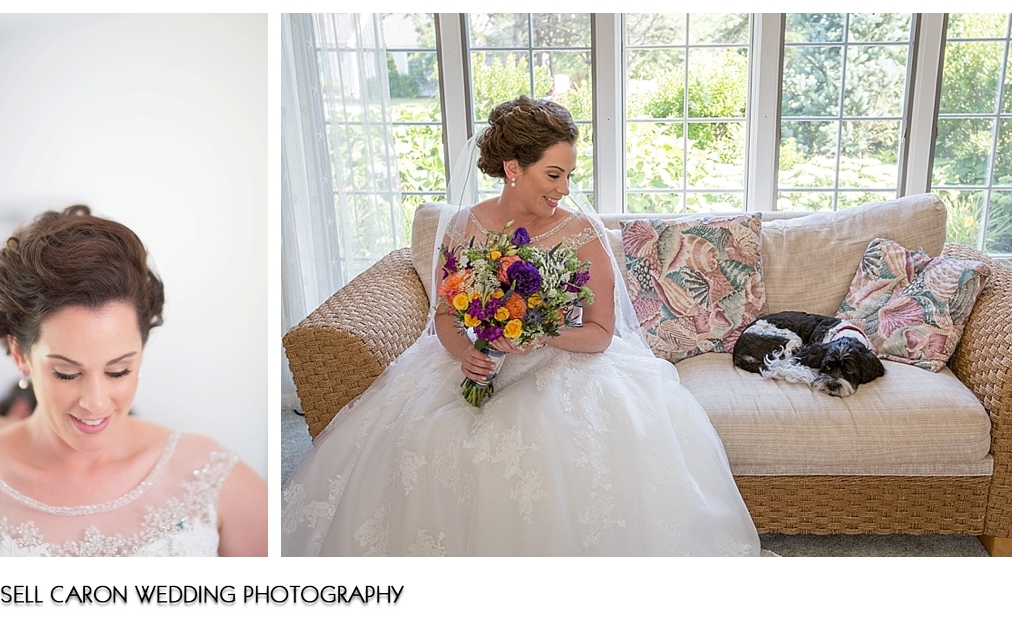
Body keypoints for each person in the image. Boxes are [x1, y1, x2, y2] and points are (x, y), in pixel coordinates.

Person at [281, 96, 760, 555]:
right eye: (554, 174)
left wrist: (538, 334)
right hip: (477, 361)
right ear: (513, 169)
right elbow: (448, 314)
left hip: (564, 360)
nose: (565, 189)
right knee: (426, 438)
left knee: (543, 446)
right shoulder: (466, 226)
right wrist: (463, 354)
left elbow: (599, 334)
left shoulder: (581, 234)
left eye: (569, 175)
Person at [0, 206, 267, 556]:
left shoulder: (205, 471)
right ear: (20, 355)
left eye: (118, 371)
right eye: (67, 373)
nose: (95, 402)